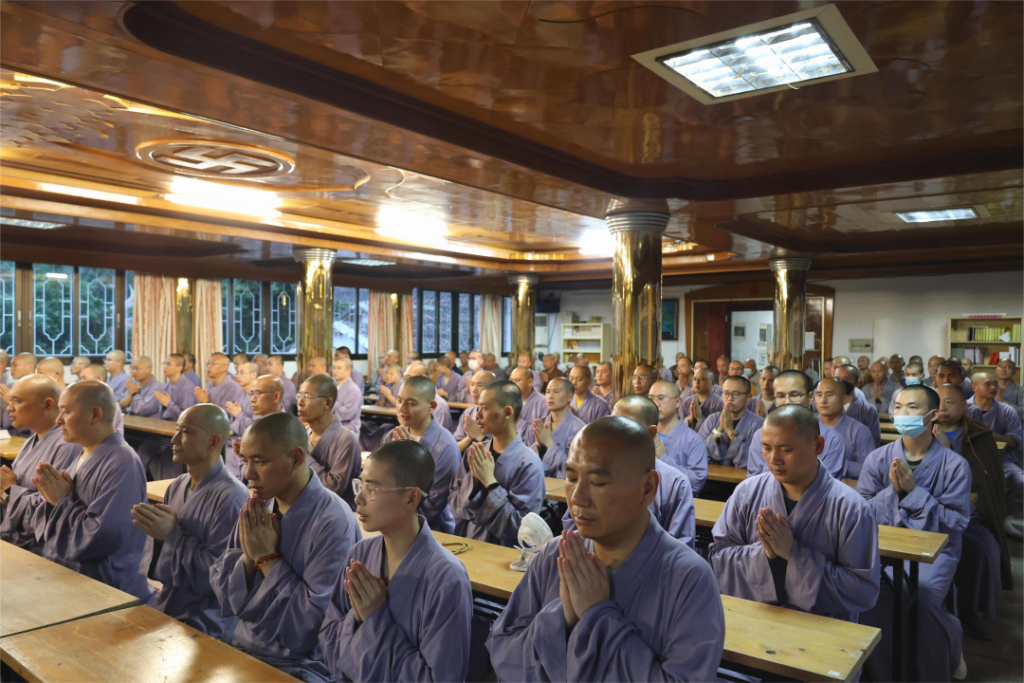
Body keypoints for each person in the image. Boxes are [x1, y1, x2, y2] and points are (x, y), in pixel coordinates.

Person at [487, 416, 725, 682]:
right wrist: (563, 619)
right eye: (571, 477)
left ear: (647, 488)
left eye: (598, 483)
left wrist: (597, 615)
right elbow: (502, 649)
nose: (577, 497)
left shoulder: (690, 579)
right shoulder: (556, 553)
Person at [210, 413, 361, 682]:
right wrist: (248, 557)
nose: (248, 474)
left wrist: (267, 559)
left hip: (303, 663)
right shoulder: (260, 504)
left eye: (260, 461)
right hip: (241, 643)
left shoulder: (333, 521)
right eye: (246, 461)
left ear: (296, 458)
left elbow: (315, 622)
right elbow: (222, 588)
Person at [711, 405, 880, 625]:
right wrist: (765, 556)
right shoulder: (747, 492)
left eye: (786, 449)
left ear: (818, 446)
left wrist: (794, 554)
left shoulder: (850, 507)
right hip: (753, 617)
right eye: (766, 447)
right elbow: (717, 559)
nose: (774, 459)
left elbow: (863, 591)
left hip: (824, 628)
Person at [320, 441, 472, 683]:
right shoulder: (360, 554)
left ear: (411, 498)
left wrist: (374, 618)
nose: (358, 499)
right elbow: (327, 640)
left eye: (372, 489)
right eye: (360, 485)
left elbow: (441, 678)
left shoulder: (447, 577)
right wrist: (358, 618)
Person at [857, 385, 970, 683]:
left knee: (924, 600)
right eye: (898, 407)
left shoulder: (955, 465)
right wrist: (894, 490)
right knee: (868, 597)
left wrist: (914, 493)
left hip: (935, 554)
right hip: (883, 547)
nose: (903, 413)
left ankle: (938, 660)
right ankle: (885, 673)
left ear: (932, 415)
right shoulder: (878, 459)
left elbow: (957, 523)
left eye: (913, 408)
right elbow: (862, 513)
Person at [132, 404, 248, 638]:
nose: (173, 439)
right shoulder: (178, 484)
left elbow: (221, 575)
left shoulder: (233, 497)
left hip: (207, 619)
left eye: (185, 432)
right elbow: (159, 561)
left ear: (213, 442)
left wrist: (172, 534)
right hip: (169, 603)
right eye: (176, 430)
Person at [36, 380, 153, 602]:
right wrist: (52, 501)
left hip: (106, 589)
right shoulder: (84, 453)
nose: (58, 420)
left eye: (65, 412)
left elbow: (103, 537)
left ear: (95, 414)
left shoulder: (122, 462)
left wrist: (62, 501)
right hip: (71, 579)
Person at [932, 384, 1012, 639]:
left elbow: (983, 481)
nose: (942, 408)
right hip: (927, 512)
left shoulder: (979, 436)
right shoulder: (920, 433)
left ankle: (969, 611)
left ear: (964, 406)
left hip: (970, 515)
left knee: (982, 550)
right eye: (938, 403)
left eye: (950, 403)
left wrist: (946, 450)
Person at [570, 396, 696, 547]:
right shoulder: (590, 469)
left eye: (624, 427)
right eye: (611, 424)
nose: (612, 434)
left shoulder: (675, 482)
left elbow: (681, 546)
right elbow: (572, 526)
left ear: (650, 433)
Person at [449, 380, 544, 548]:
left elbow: (524, 530)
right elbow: (454, 505)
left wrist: (489, 483)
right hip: (469, 544)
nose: (477, 415)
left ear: (507, 412)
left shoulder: (529, 463)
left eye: (484, 408)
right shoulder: (476, 452)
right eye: (478, 408)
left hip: (503, 555)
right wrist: (475, 482)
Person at [0, 375, 82, 553]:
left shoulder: (67, 446)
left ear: (47, 404)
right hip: (17, 537)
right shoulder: (32, 439)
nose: (10, 408)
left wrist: (8, 491)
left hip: (42, 548)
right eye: (10, 400)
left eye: (17, 401)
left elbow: (52, 509)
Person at [380, 376, 460, 533]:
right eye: (399, 400)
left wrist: (410, 458)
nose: (402, 408)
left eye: (411, 403)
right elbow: (379, 483)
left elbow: (430, 507)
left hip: (431, 531)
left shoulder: (445, 447)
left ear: (432, 405)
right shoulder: (392, 436)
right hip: (389, 521)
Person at [746, 371, 847, 479]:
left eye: (794, 395)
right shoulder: (760, 436)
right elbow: (755, 481)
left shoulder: (832, 440)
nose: (787, 401)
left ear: (810, 397)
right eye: (780, 396)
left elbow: (826, 484)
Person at [967, 371, 1024, 540]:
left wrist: (984, 433)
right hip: (969, 459)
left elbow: (1015, 441)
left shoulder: (1007, 411)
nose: (993, 387)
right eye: (988, 384)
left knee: (1020, 480)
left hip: (1001, 459)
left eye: (995, 384)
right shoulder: (964, 409)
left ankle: (1005, 518)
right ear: (974, 387)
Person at [298, 374, 363, 509]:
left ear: (327, 403)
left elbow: (333, 488)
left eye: (307, 396)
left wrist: (303, 456)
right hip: (305, 507)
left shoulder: (346, 439)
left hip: (336, 514)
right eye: (299, 396)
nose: (300, 402)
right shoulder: (302, 433)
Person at [138, 355, 199, 480]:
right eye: (164, 363)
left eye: (168, 364)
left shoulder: (188, 387)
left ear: (179, 367)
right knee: (142, 449)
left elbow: (187, 416)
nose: (164, 367)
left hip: (180, 435)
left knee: (147, 451)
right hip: (165, 432)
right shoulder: (166, 386)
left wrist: (168, 404)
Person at [649, 381, 707, 493]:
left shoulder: (694, 440)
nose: (655, 404)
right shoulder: (643, 435)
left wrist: (663, 458)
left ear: (677, 402)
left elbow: (696, 484)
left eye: (661, 398)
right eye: (651, 399)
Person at [225, 375, 284, 482]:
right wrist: (247, 458)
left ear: (276, 397)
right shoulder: (260, 424)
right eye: (251, 394)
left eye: (258, 393)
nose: (252, 399)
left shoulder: (284, 430)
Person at [815, 378, 876, 478]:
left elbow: (870, 469)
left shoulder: (859, 431)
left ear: (844, 399)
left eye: (829, 395)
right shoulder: (806, 426)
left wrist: (838, 462)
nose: (823, 400)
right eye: (819, 395)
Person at [699, 375, 764, 468]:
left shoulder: (758, 424)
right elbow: (698, 452)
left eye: (736, 394)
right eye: (725, 393)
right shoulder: (712, 419)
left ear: (749, 397)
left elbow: (755, 459)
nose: (730, 398)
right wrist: (719, 430)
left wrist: (730, 432)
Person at [532, 377, 585, 479]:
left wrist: (549, 443)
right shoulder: (541, 424)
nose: (550, 396)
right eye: (547, 392)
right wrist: (538, 445)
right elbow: (528, 464)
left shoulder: (579, 429)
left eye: (556, 392)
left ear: (570, 397)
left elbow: (576, 469)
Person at [832, 364, 882, 446]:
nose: (840, 382)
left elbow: (874, 440)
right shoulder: (826, 406)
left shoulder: (867, 409)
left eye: (846, 379)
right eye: (837, 379)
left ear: (857, 382)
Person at [405, 361, 454, 432]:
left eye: (409, 378)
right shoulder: (407, 402)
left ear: (424, 378)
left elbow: (439, 437)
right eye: (404, 378)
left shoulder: (440, 406)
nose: (405, 383)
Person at [455, 370, 496, 452]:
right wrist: (469, 438)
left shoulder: (499, 415)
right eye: (472, 385)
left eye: (480, 385)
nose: (474, 390)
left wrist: (478, 436)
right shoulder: (468, 413)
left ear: (492, 388)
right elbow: (455, 449)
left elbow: (499, 454)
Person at [79, 364, 125, 434]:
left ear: (99, 380)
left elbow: (99, 434)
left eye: (84, 378)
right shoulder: (84, 401)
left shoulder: (109, 405)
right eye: (80, 379)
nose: (79, 383)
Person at [512, 366, 550, 447]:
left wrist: (519, 421)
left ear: (529, 382)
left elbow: (542, 435)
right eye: (511, 380)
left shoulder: (543, 403)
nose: (513, 384)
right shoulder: (507, 401)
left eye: (517, 380)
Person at [680, 368, 724, 433]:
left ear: (712, 383)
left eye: (701, 379)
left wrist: (700, 418)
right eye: (694, 379)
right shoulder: (686, 402)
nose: (697, 382)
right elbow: (678, 428)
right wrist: (690, 419)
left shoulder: (719, 403)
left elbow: (718, 431)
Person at [331, 357, 362, 436]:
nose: (335, 371)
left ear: (348, 370)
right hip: (331, 427)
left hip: (347, 430)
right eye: (334, 368)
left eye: (339, 368)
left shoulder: (353, 390)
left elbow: (347, 413)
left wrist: (332, 402)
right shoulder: (332, 387)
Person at [224, 361, 259, 431]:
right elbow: (234, 419)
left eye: (242, 373)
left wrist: (239, 414)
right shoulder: (240, 393)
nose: (238, 376)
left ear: (253, 375)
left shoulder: (259, 397)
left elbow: (257, 425)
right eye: (237, 373)